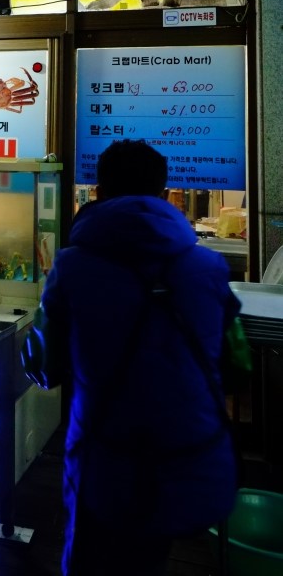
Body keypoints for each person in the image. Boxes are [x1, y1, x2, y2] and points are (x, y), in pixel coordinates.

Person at [36, 139, 241, 576]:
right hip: (185, 458)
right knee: (152, 559)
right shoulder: (210, 270)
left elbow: (42, 366)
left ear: (98, 192)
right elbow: (236, 366)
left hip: (102, 462)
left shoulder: (70, 269)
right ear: (164, 193)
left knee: (92, 560)